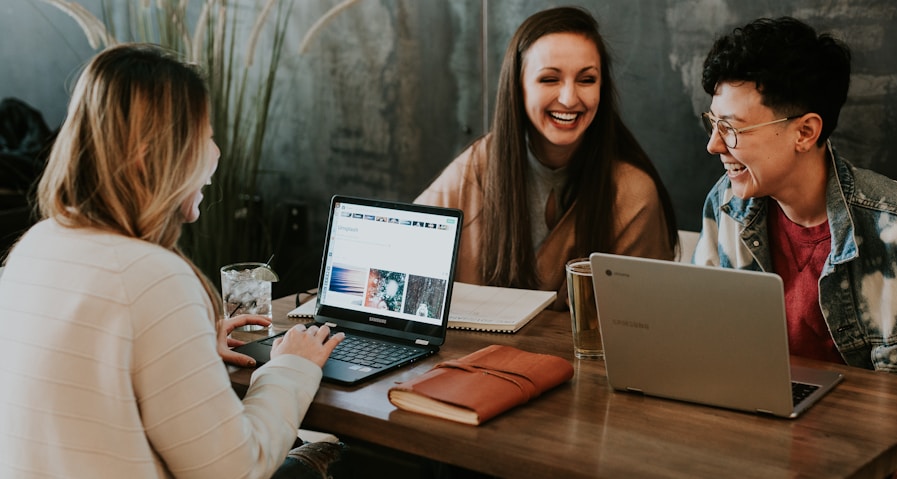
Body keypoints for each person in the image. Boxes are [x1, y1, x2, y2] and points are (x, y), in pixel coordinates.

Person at [0, 43, 345, 478]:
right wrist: (292, 366)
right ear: (151, 155)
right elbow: (236, 469)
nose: (216, 153)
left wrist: (187, 345)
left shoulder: (34, 246)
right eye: (203, 137)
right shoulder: (152, 277)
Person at [693, 17, 897, 478]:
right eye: (712, 122)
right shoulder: (725, 206)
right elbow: (699, 340)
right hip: (764, 449)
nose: (712, 145)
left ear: (805, 132)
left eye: (731, 128)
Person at [415, 6, 677, 309]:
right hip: (471, 356)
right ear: (518, 87)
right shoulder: (478, 165)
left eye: (587, 80)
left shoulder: (633, 193)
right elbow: (404, 250)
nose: (569, 98)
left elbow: (645, 321)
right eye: (550, 79)